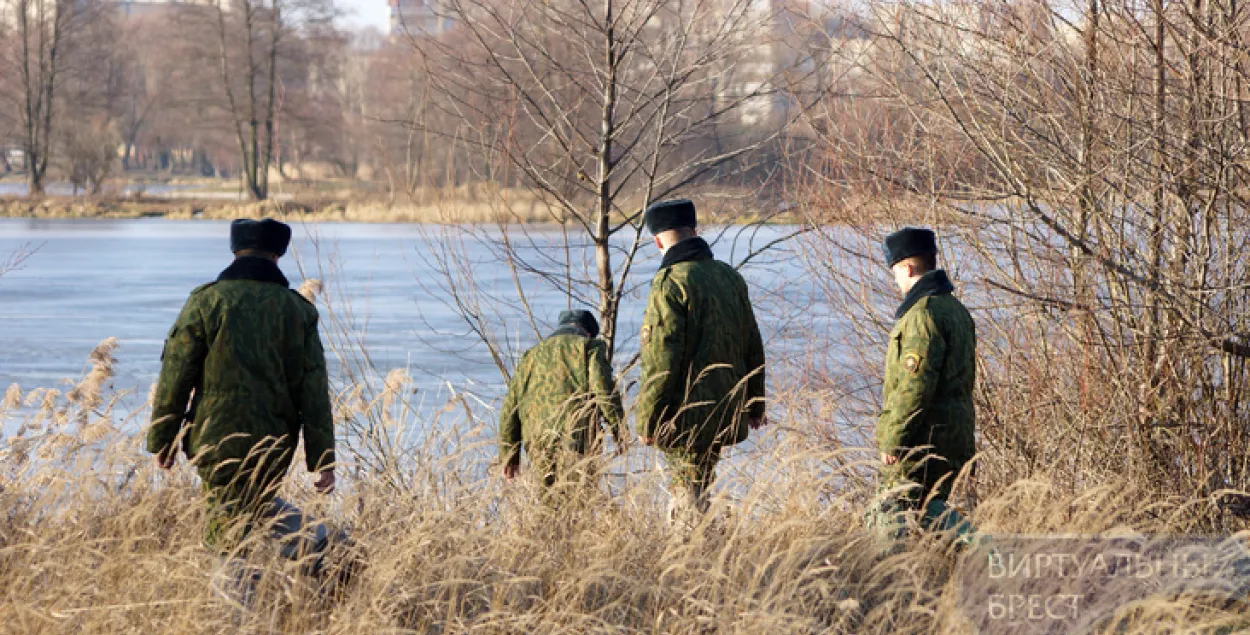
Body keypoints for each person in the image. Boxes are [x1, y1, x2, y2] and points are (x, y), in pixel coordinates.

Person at [145, 219, 342, 592]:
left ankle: (241, 615)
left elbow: (176, 373)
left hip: (213, 439)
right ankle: (326, 546)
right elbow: (313, 389)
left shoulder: (206, 301)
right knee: (251, 505)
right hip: (274, 439)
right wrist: (322, 459)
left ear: (234, 251)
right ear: (277, 254)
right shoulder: (297, 311)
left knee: (229, 531)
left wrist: (164, 438)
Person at [635, 199, 766, 522]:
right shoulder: (728, 277)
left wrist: (648, 419)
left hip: (686, 414)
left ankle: (690, 560)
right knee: (701, 483)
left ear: (657, 241)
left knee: (686, 491)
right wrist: (755, 402)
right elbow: (753, 342)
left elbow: (661, 359)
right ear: (694, 231)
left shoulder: (670, 282)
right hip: (727, 405)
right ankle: (708, 550)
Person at [870, 227, 977, 540]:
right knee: (929, 509)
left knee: (892, 510)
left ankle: (988, 556)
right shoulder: (955, 309)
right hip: (954, 431)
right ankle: (982, 560)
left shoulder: (922, 315)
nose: (895, 281)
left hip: (925, 436)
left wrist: (893, 438)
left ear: (908, 267)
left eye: (895, 272)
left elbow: (915, 386)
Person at [499, 309, 627, 492]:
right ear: (588, 332)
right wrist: (619, 431)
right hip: (576, 437)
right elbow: (603, 389)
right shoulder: (590, 347)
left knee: (548, 503)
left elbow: (510, 407)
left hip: (536, 441)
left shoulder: (530, 355)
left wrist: (509, 455)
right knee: (579, 501)